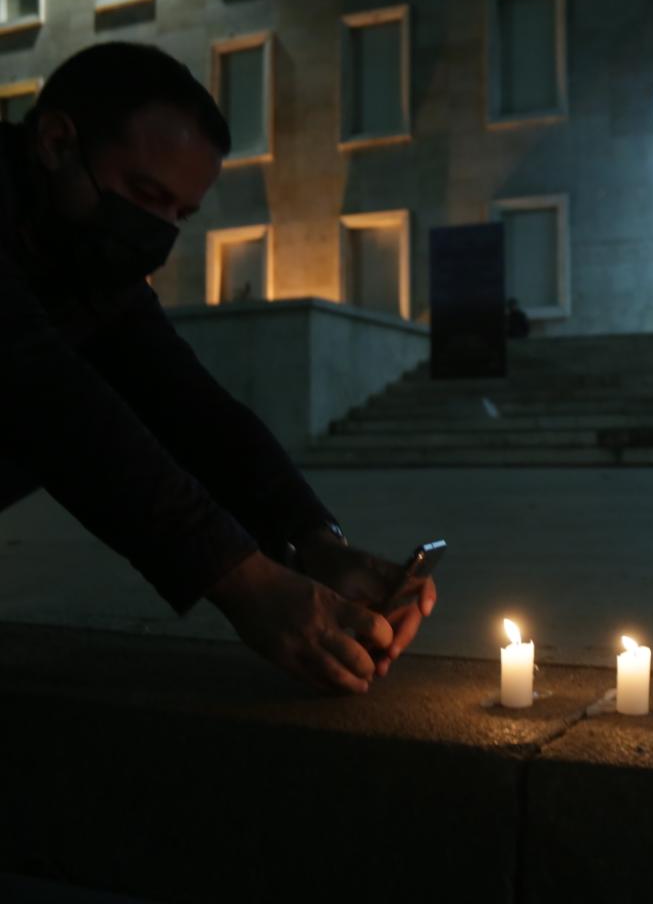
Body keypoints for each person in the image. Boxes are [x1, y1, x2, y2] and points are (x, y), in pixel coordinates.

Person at [0, 43, 435, 695]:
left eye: (180, 214)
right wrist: (246, 582)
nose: (158, 233)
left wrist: (314, 543)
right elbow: (49, 402)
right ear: (57, 142)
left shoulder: (86, 259)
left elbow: (191, 407)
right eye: (146, 195)